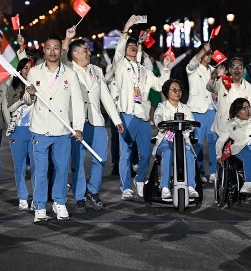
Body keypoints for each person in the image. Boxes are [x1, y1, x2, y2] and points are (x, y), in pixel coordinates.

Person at [23, 34, 84, 223]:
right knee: (40, 170)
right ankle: (40, 205)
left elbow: (78, 103)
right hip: (40, 128)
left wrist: (78, 127)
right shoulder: (34, 72)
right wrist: (30, 94)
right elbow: (27, 101)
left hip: (62, 129)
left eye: (56, 48)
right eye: (49, 47)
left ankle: (59, 201)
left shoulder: (70, 73)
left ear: (61, 50)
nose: (52, 51)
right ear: (44, 49)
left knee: (61, 168)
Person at [63, 29, 124, 212]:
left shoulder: (96, 70)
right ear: (74, 54)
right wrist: (67, 38)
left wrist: (116, 119)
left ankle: (93, 190)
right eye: (84, 50)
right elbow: (60, 56)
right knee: (78, 161)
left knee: (101, 158)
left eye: (88, 50)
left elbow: (105, 96)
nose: (88, 53)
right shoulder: (67, 69)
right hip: (77, 123)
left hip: (97, 121)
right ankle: (80, 196)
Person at [112, 15, 171, 200]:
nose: (132, 47)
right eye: (129, 45)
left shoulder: (145, 71)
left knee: (146, 154)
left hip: (143, 116)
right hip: (127, 113)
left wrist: (166, 68)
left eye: (134, 46)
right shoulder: (120, 65)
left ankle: (139, 180)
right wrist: (127, 27)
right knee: (126, 153)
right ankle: (125, 187)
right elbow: (119, 51)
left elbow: (161, 85)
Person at [153, 79, 199, 199]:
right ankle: (165, 187)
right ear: (166, 92)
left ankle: (190, 187)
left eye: (179, 90)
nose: (177, 92)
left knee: (188, 153)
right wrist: (161, 124)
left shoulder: (185, 108)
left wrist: (189, 127)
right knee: (168, 152)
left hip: (182, 140)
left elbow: (192, 124)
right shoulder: (162, 107)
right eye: (174, 90)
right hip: (165, 140)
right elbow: (157, 118)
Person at [216, 98, 251, 194]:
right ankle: (248, 183)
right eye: (244, 108)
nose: (248, 110)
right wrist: (218, 155)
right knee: (247, 155)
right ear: (237, 112)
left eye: (248, 107)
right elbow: (220, 141)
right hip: (240, 149)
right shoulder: (231, 124)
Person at [6, 57, 35, 211]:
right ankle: (23, 197)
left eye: (30, 67)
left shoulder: (37, 85)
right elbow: (10, 108)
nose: (27, 70)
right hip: (17, 130)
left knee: (37, 166)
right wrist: (22, 101)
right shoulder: (13, 86)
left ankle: (37, 197)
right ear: (20, 70)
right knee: (20, 167)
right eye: (25, 68)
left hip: (35, 130)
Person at [209, 57, 251, 146]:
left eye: (240, 67)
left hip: (240, 130)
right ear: (229, 70)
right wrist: (212, 79)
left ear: (244, 70)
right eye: (234, 67)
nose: (237, 70)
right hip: (220, 129)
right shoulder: (222, 82)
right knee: (218, 157)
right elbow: (211, 88)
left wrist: (242, 113)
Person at [186, 43, 217, 183]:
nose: (210, 56)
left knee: (213, 141)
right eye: (207, 53)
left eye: (211, 53)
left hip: (211, 109)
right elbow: (192, 63)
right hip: (197, 109)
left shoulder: (214, 70)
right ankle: (199, 172)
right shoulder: (192, 69)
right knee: (197, 143)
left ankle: (214, 172)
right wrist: (202, 51)